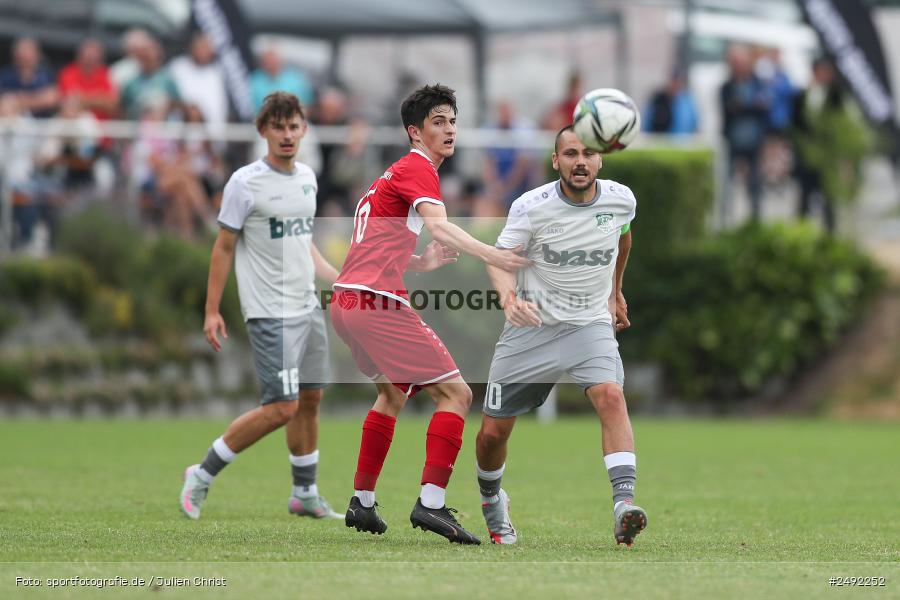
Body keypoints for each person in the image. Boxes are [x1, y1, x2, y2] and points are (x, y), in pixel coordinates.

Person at [330, 83, 530, 544]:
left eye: (452, 121)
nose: (449, 130)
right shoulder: (419, 168)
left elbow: (372, 248)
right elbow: (439, 225)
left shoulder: (390, 175)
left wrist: (421, 262)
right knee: (457, 394)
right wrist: (494, 255)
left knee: (392, 395)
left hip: (347, 301)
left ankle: (362, 502)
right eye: (438, 122)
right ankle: (432, 504)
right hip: (375, 302)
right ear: (414, 132)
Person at [473, 125, 647, 547]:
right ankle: (492, 498)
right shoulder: (531, 206)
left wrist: (615, 290)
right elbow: (499, 258)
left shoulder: (621, 200)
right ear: (556, 162)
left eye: (588, 153)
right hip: (531, 329)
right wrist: (509, 298)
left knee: (611, 395)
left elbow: (622, 240)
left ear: (601, 158)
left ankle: (624, 505)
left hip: (589, 325)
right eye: (570, 153)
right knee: (493, 433)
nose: (580, 161)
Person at [179, 92, 342, 521]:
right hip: (270, 311)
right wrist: (212, 310)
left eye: (293, 127)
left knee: (310, 400)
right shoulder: (244, 183)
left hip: (307, 306)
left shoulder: (307, 177)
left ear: (304, 129)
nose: (287, 135)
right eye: (278, 127)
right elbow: (223, 247)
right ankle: (202, 473)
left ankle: (304, 494)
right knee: (281, 407)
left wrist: (335, 277)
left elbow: (303, 240)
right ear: (262, 131)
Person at [719, 45, 769, 222]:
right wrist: (751, 106)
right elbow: (731, 109)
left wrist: (744, 107)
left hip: (754, 141)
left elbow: (763, 108)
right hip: (733, 141)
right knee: (728, 183)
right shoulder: (727, 86)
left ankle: (755, 221)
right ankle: (725, 219)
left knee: (755, 185)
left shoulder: (757, 83)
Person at [0, 37, 59, 118]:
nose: (25, 56)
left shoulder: (47, 74)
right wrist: (39, 98)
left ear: (37, 55)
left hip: (43, 122)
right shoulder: (6, 75)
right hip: (14, 121)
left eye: (29, 51)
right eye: (22, 52)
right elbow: (4, 102)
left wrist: (19, 100)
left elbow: (51, 99)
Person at [643, 67, 698, 135]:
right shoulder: (658, 100)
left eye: (679, 81)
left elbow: (694, 125)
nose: (676, 84)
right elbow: (647, 124)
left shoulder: (688, 101)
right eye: (674, 81)